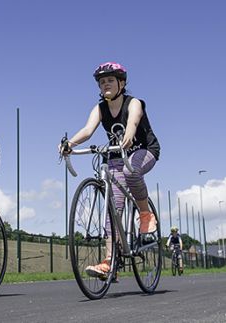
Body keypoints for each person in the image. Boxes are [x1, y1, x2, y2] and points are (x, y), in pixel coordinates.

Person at [60, 62, 160, 279]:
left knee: (131, 171)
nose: (106, 84)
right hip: (116, 155)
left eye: (110, 80)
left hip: (144, 150)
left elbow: (133, 120)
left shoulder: (133, 102)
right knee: (111, 211)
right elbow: (87, 130)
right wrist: (70, 144)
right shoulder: (100, 108)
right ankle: (109, 262)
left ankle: (145, 213)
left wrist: (130, 133)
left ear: (121, 83)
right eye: (102, 81)